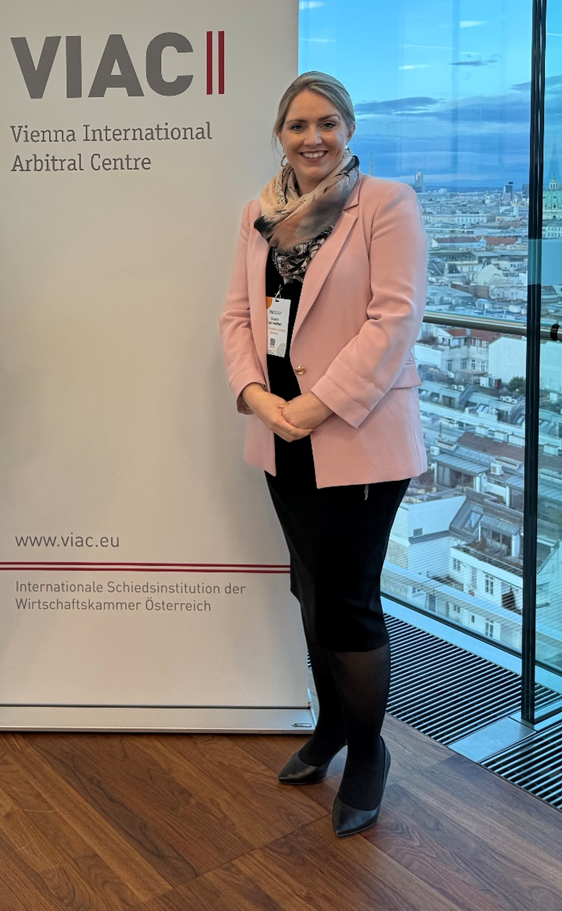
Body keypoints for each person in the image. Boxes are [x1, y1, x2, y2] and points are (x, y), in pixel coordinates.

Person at [220, 71, 427, 838]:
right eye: (297, 125)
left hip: (355, 438)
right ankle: (331, 725)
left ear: (348, 129)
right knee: (309, 590)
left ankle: (368, 750)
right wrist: (254, 394)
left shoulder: (386, 204)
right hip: (281, 436)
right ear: (279, 135)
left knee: (347, 598)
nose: (312, 138)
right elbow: (236, 315)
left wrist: (310, 406)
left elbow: (392, 322)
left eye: (327, 123)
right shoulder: (258, 213)